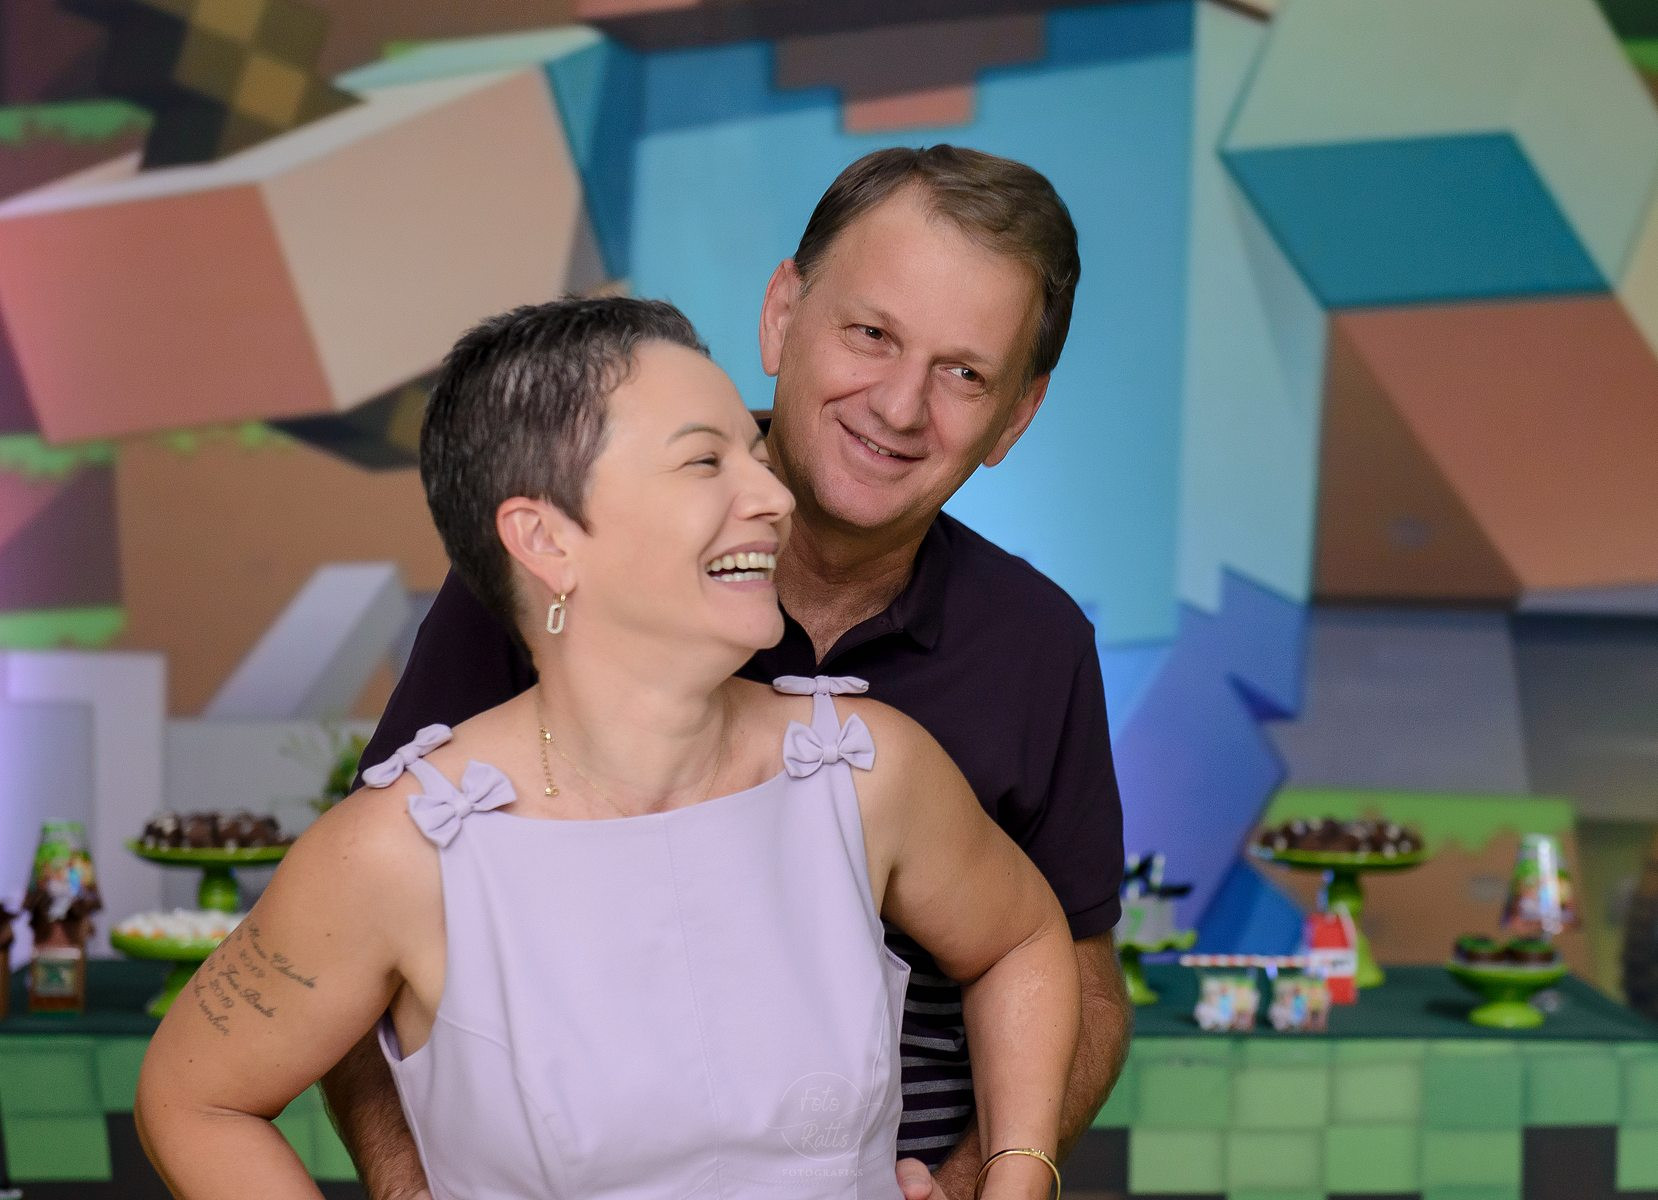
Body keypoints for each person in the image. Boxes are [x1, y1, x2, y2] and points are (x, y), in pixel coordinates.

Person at [135, 297, 1081, 1200]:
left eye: (756, 457)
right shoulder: (399, 852)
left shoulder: (865, 771)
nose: (772, 496)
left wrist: (1014, 1171)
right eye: (705, 462)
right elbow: (194, 1100)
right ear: (546, 540)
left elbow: (1026, 940)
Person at [330, 145, 1132, 1200]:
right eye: (871, 334)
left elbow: (1070, 972)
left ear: (1014, 417)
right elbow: (352, 934)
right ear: (781, 315)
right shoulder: (569, 568)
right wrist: (411, 1193)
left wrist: (987, 1180)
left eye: (964, 374)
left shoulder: (1035, 643)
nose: (899, 407)